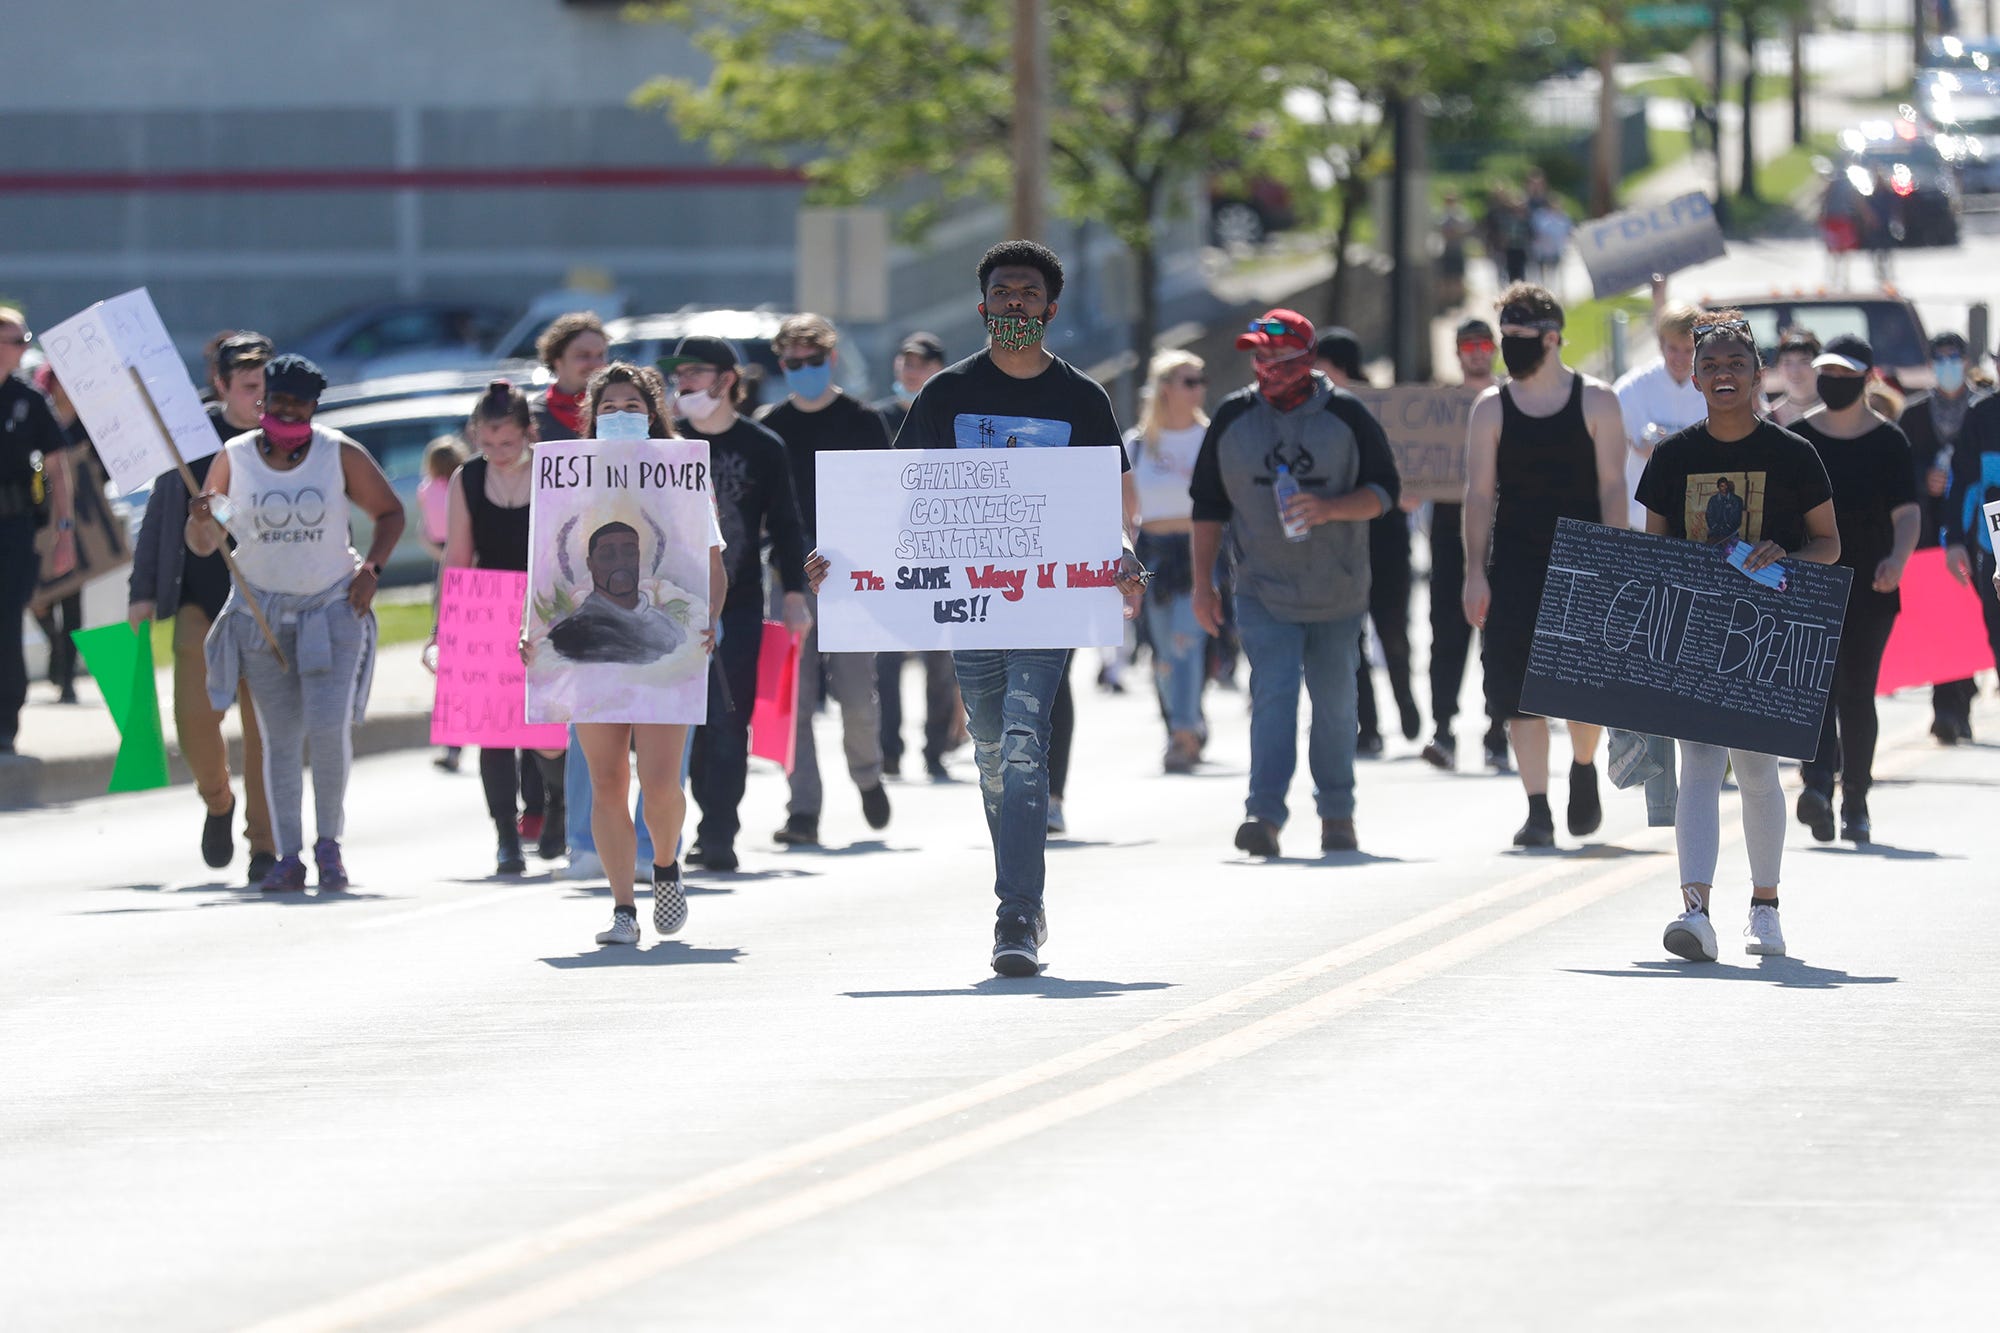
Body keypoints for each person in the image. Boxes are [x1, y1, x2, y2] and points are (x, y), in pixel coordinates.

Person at [829, 238, 1145, 976]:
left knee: (1028, 741)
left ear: (1051, 309)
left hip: (1049, 605)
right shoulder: (946, 395)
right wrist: (839, 559)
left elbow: (1112, 501)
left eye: (1029, 294)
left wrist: (1125, 553)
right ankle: (1024, 898)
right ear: (982, 305)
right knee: (996, 752)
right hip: (968, 604)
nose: (1014, 303)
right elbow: (894, 498)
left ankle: (1016, 913)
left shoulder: (1080, 398)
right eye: (1002, 290)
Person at [1635, 312, 1840, 961]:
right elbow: (1653, 554)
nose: (1724, 374)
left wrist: (1786, 559)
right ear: (1693, 376)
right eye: (1711, 365)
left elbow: (1830, 544)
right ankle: (1694, 909)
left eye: (1736, 364)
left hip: (1765, 635)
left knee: (1755, 768)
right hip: (1695, 634)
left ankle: (1765, 905)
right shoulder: (1673, 458)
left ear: (1758, 374)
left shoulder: (1794, 455)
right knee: (1697, 761)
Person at [187, 354, 405, 892]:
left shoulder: (337, 453)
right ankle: (289, 855)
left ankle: (328, 845)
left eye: (298, 404)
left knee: (328, 731)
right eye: (278, 401)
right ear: (262, 403)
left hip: (332, 609)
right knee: (279, 739)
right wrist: (203, 518)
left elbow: (391, 513)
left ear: (314, 407)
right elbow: (207, 542)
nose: (286, 411)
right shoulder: (235, 457)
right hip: (261, 614)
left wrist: (371, 572)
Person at [1190, 307, 1401, 858]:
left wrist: (1331, 508)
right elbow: (1207, 508)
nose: (1266, 367)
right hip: (1262, 590)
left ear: (1306, 359)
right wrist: (1201, 584)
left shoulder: (1349, 416)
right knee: (1274, 697)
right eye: (1258, 357)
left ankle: (1337, 813)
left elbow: (1385, 492)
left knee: (1335, 705)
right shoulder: (1233, 418)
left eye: (1278, 357)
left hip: (1338, 590)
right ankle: (1264, 814)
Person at [550, 363, 725, 946]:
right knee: (605, 781)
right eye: (609, 407)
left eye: (632, 406)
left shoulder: (681, 479)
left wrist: (709, 622)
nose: (620, 416)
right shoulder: (564, 481)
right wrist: (536, 634)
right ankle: (624, 907)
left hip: (664, 658)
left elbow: (709, 563)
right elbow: (542, 570)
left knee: (659, 784)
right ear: (591, 416)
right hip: (591, 664)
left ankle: (668, 864)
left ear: (652, 414)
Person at [1462, 283, 1627, 848]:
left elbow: (1612, 488)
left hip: (1584, 563)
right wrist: (1474, 572)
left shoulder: (1597, 400)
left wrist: (1614, 563)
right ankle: (1537, 809)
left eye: (1521, 338)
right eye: (1504, 337)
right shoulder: (1492, 408)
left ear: (1553, 338)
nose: (1510, 347)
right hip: (1513, 563)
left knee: (1582, 689)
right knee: (1514, 691)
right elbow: (1479, 495)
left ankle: (1583, 768)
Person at [125, 331, 279, 879]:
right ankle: (218, 801)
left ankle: (265, 847)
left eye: (266, 385)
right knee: (193, 721)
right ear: (220, 386)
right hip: (200, 602)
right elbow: (159, 519)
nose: (260, 397)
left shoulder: (284, 439)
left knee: (264, 733)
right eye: (249, 387)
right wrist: (142, 591)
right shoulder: (188, 441)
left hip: (267, 606)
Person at [664, 333, 811, 873]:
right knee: (681, 723)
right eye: (679, 374)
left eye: (696, 372)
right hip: (666, 607)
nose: (684, 383)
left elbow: (788, 525)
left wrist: (793, 592)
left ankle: (719, 831)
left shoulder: (763, 446)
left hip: (741, 603)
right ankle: (669, 829)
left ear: (728, 380)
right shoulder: (666, 445)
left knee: (728, 719)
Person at [756, 312, 893, 846]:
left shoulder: (863, 420)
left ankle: (868, 773)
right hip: (788, 577)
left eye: (814, 360)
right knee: (794, 698)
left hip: (855, 581)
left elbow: (888, 496)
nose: (804, 369)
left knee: (857, 696)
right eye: (794, 362)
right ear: (782, 364)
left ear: (831, 359)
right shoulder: (771, 425)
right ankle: (803, 808)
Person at [431, 380, 566, 874]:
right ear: (474, 436)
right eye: (487, 444)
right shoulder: (468, 478)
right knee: (492, 730)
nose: (499, 453)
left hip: (548, 603)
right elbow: (458, 554)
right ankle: (506, 836)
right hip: (486, 605)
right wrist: (444, 626)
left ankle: (556, 804)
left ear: (529, 432)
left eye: (508, 443)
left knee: (549, 725)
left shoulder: (553, 471)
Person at [1788, 335, 1919, 845]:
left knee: (1856, 692)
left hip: (1870, 583)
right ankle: (1817, 786)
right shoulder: (1798, 439)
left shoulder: (1890, 442)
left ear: (1867, 378)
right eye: (1827, 373)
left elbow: (1907, 513)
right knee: (1812, 690)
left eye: (1845, 375)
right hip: (1809, 583)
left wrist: (1898, 560)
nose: (1833, 383)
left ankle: (1856, 801)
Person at [1316, 327, 1418, 754]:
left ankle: (1406, 703)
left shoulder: (1385, 409)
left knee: (1391, 627)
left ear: (1335, 364)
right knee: (1351, 635)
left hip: (1385, 534)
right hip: (1339, 536)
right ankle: (1368, 725)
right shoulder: (1316, 412)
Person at [1421, 320, 1511, 773]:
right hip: (1446, 529)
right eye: (1467, 346)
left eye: (1483, 345)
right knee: (1447, 632)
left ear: (1494, 349)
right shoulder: (1437, 405)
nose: (1476, 353)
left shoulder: (1512, 401)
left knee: (1498, 633)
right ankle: (1442, 728)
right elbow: (1414, 462)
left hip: (1502, 527)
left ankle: (1498, 729)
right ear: (1457, 353)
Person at [872, 331, 961, 782]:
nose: (910, 371)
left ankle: (936, 749)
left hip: (941, 553)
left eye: (920, 364)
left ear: (937, 369)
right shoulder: (878, 419)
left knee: (940, 661)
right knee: (885, 661)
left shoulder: (950, 418)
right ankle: (889, 749)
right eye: (904, 363)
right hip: (889, 556)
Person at [1126, 349, 1211, 773]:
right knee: (1162, 651)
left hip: (1200, 548)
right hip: (1154, 553)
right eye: (1189, 381)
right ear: (1165, 389)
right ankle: (1181, 723)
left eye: (1201, 381)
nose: (1199, 389)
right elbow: (1122, 506)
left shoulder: (1211, 437)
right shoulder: (1139, 445)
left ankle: (1183, 732)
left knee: (1187, 640)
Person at [1903, 331, 1987, 742]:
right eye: (1941, 358)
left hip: (1976, 529)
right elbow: (1899, 469)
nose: (1948, 364)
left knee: (1972, 615)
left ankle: (1963, 696)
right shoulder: (1915, 414)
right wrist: (1925, 479)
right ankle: (1945, 708)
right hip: (1928, 531)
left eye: (1955, 357)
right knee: (1938, 620)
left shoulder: (1982, 410)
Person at [0, 306, 63, 757]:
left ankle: (5, 723)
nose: (24, 349)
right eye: (16, 341)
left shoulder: (28, 398)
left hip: (14, 528)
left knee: (6, 622)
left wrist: (65, 531)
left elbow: (60, 467)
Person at [29, 364, 109, 706]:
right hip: (36, 519)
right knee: (36, 597)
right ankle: (57, 650)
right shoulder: (40, 416)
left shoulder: (89, 426)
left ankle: (66, 679)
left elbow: (104, 470)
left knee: (72, 600)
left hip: (79, 521)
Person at [1941, 347, 2000, 737]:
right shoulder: (1982, 414)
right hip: (1991, 545)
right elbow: (1963, 482)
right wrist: (1956, 540)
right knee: (1996, 631)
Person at [1612, 299, 1706, 529]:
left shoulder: (1713, 388)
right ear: (1660, 343)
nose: (1680, 359)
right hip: (1639, 521)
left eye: (1688, 350)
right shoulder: (1630, 389)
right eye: (1672, 348)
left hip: (1699, 523)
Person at [417, 434, 467, 773]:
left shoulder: (426, 491)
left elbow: (426, 534)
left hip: (445, 569)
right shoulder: (468, 487)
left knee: (453, 666)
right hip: (475, 569)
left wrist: (444, 556)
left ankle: (453, 747)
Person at [532, 312, 609, 444]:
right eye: (583, 355)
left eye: (600, 355)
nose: (596, 364)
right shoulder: (532, 417)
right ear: (557, 360)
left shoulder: (617, 412)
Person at [1766, 329, 1822, 427]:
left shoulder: (1837, 412)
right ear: (1778, 367)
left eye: (1804, 361)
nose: (1795, 370)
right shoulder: (1767, 419)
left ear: (1819, 366)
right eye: (1787, 362)